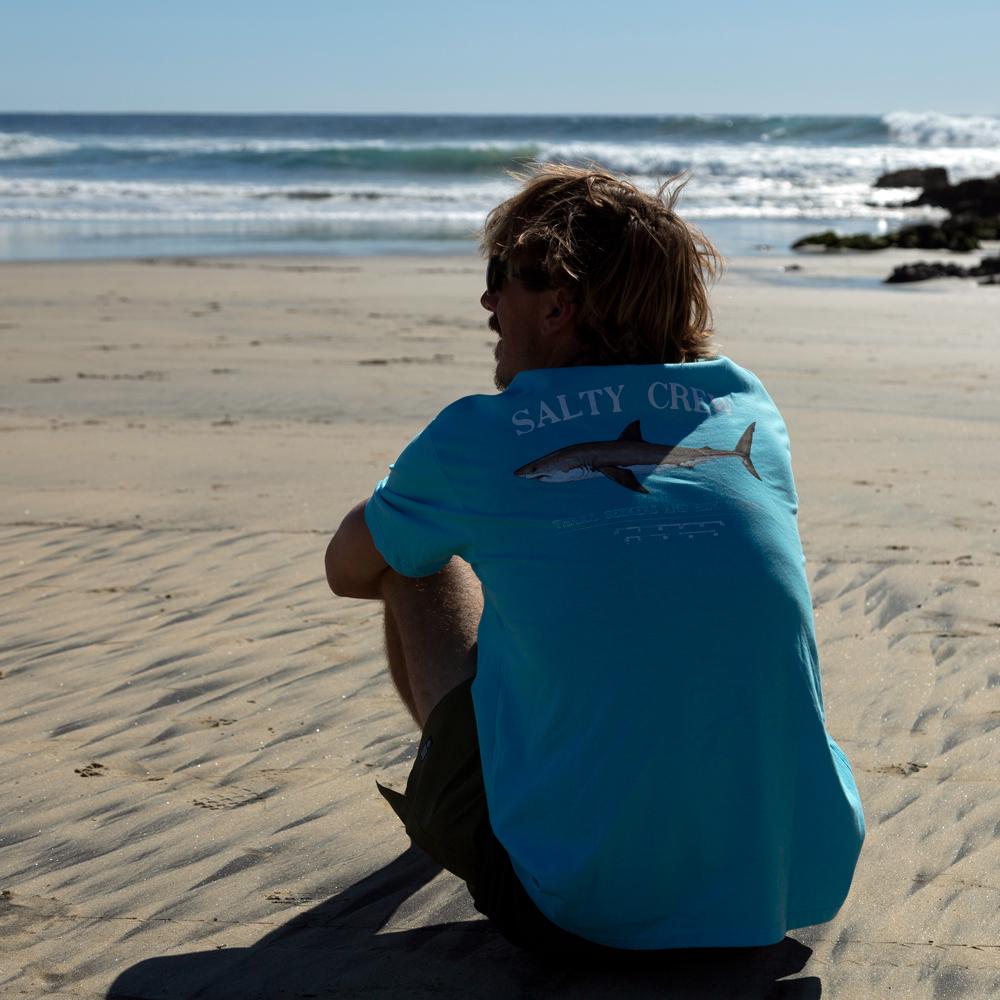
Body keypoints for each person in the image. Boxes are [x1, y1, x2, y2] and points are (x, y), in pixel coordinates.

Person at [325, 164, 865, 952]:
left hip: (579, 909)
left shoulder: (479, 433)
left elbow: (347, 569)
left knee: (413, 560)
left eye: (496, 278)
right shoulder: (742, 402)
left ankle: (459, 796)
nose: (486, 303)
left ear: (556, 305)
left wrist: (411, 505)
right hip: (789, 885)